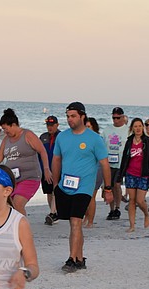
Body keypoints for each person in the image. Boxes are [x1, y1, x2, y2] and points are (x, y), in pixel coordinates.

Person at [51, 102, 112, 272]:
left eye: (73, 116)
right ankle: (79, 258)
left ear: (82, 116)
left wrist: (108, 189)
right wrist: (55, 184)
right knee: (73, 224)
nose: (69, 119)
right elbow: (56, 160)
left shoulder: (95, 139)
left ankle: (71, 259)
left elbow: (104, 164)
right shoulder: (62, 137)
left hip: (84, 187)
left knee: (76, 221)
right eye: (68, 116)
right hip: (65, 186)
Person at [0, 108, 52, 217]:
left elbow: (42, 151)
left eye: (6, 129)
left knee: (18, 203)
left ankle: (23, 227)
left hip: (30, 178)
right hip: (13, 180)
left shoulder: (27, 135)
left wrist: (46, 169)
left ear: (14, 125)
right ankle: (14, 226)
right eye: (3, 129)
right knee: (8, 206)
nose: (5, 132)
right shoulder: (6, 139)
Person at [116, 118, 149, 233]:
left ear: (143, 127)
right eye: (135, 126)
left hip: (144, 175)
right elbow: (124, 159)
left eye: (139, 126)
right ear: (132, 128)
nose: (138, 128)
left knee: (140, 200)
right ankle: (132, 225)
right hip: (130, 174)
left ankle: (146, 214)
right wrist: (120, 175)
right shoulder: (129, 141)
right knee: (132, 200)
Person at [103, 107, 128, 219]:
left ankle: (118, 208)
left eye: (118, 118)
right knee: (109, 186)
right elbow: (101, 145)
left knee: (117, 184)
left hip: (121, 163)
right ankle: (111, 209)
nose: (116, 120)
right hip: (108, 163)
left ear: (123, 117)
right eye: (114, 118)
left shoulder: (128, 130)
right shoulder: (107, 130)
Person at [40, 115, 60, 225]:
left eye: (52, 125)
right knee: (48, 192)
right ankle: (53, 213)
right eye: (48, 125)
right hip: (45, 169)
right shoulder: (43, 137)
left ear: (57, 125)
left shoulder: (61, 137)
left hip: (58, 168)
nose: (50, 127)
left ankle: (53, 213)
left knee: (55, 191)